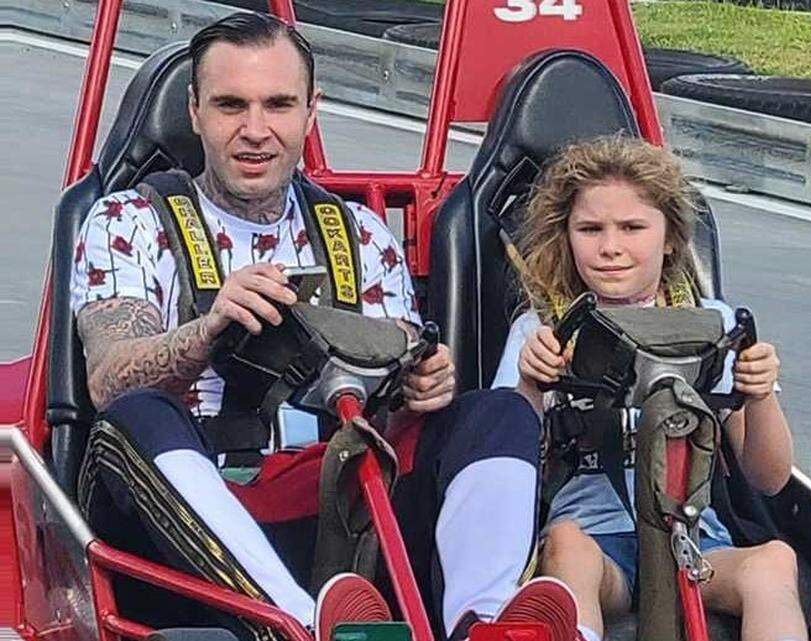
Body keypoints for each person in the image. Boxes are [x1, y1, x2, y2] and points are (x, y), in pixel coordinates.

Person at [70, 12, 579, 641]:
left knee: (498, 413)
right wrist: (208, 331)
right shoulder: (128, 221)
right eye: (231, 105)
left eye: (277, 105)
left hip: (331, 510)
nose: (255, 131)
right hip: (181, 516)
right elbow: (107, 383)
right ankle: (301, 625)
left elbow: (390, 424)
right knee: (137, 412)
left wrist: (418, 388)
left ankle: (488, 625)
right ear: (196, 110)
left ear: (311, 112)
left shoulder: (360, 237)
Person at [491, 136, 809, 641]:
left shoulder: (714, 325)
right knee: (567, 545)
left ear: (668, 238)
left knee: (774, 561)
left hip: (696, 544)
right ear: (567, 238)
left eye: (632, 228)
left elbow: (768, 478)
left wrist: (760, 393)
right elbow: (501, 480)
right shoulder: (541, 332)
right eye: (590, 229)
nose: (611, 247)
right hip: (596, 546)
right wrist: (532, 385)